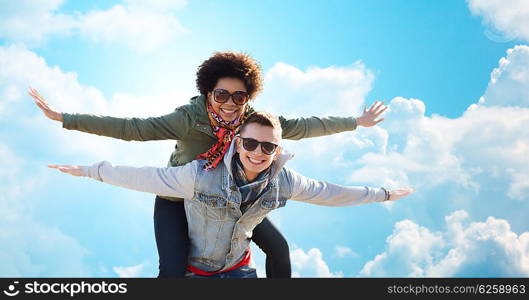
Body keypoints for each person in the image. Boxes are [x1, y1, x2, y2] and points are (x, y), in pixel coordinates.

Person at [29, 51, 388, 278]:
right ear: (207, 93)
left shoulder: (254, 122)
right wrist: (65, 117)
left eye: (239, 96)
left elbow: (304, 126)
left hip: (230, 198)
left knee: (279, 249)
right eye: (221, 95)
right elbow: (132, 129)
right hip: (181, 196)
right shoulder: (188, 118)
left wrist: (356, 122)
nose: (230, 104)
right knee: (172, 270)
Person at [49, 111, 414, 278]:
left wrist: (381, 193)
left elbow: (329, 192)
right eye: (250, 143)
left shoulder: (283, 179)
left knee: (279, 248)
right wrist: (90, 170)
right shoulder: (199, 175)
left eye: (267, 147)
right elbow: (145, 175)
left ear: (276, 149)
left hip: (238, 271)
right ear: (237, 143)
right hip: (194, 270)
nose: (258, 152)